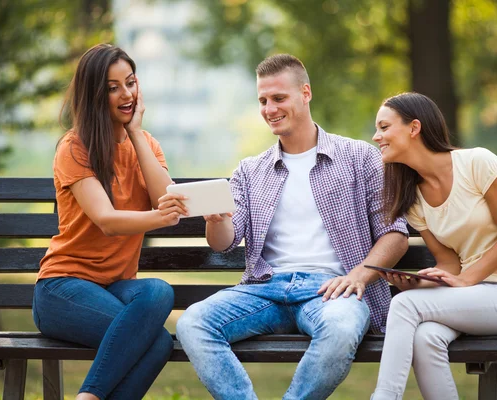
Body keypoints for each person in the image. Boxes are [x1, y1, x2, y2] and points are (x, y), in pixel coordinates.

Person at [175, 54, 409, 400]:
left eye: (279, 98)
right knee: (192, 323)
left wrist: (358, 277)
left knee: (342, 329)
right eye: (263, 101)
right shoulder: (249, 171)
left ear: (305, 93)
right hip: (265, 289)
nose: (269, 109)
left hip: (332, 291)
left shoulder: (360, 157)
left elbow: (396, 234)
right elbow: (224, 243)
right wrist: (216, 220)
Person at [32, 44, 188, 400]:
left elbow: (165, 196)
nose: (126, 94)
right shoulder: (74, 147)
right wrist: (158, 216)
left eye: (130, 83)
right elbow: (106, 220)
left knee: (159, 291)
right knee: (158, 342)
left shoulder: (146, 143)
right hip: (62, 289)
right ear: (94, 94)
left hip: (113, 288)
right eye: (113, 87)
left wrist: (135, 134)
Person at [369, 92, 497, 400]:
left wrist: (466, 279)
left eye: (384, 127)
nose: (376, 136)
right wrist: (421, 282)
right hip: (466, 299)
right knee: (426, 337)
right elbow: (450, 264)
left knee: (403, 307)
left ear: (414, 128)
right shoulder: (414, 199)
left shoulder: (477, 163)